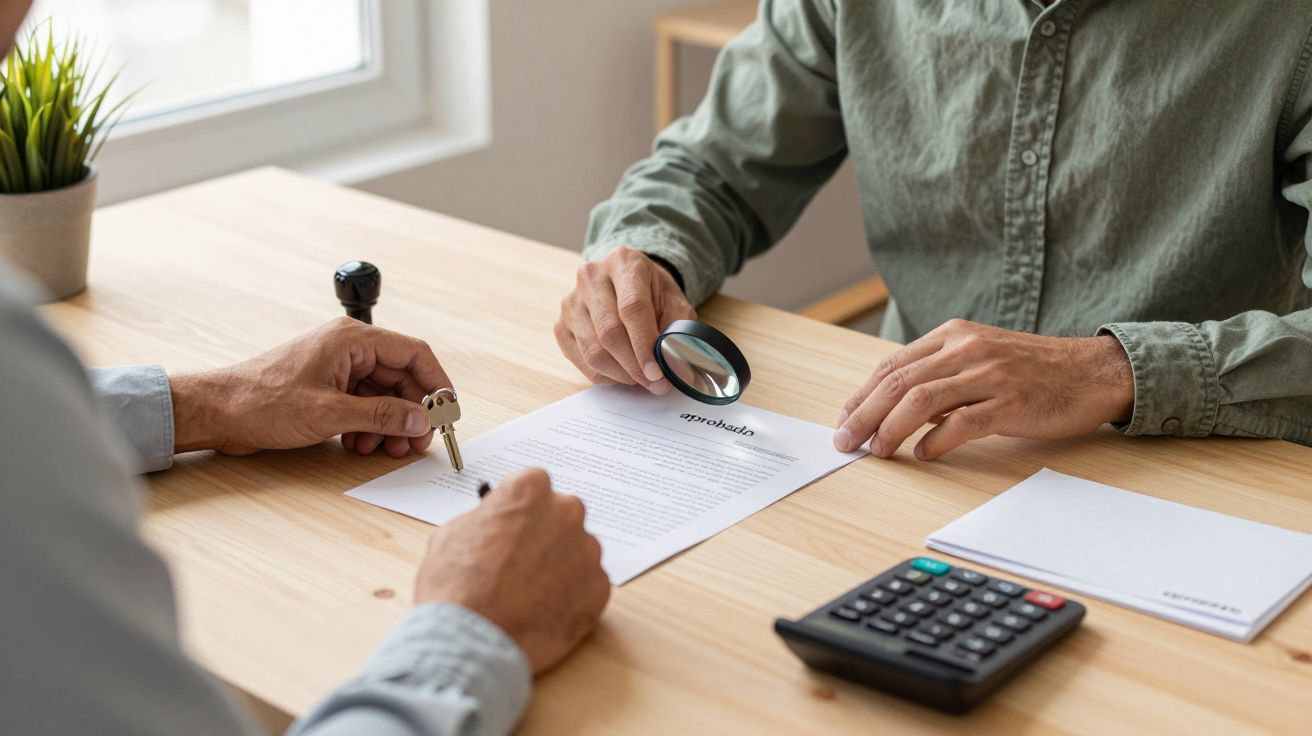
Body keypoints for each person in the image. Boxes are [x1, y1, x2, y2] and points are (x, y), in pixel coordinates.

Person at [556, 1, 1312, 461]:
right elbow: (711, 168)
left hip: (1195, 470)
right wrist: (645, 256)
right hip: (908, 449)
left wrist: (1108, 372)